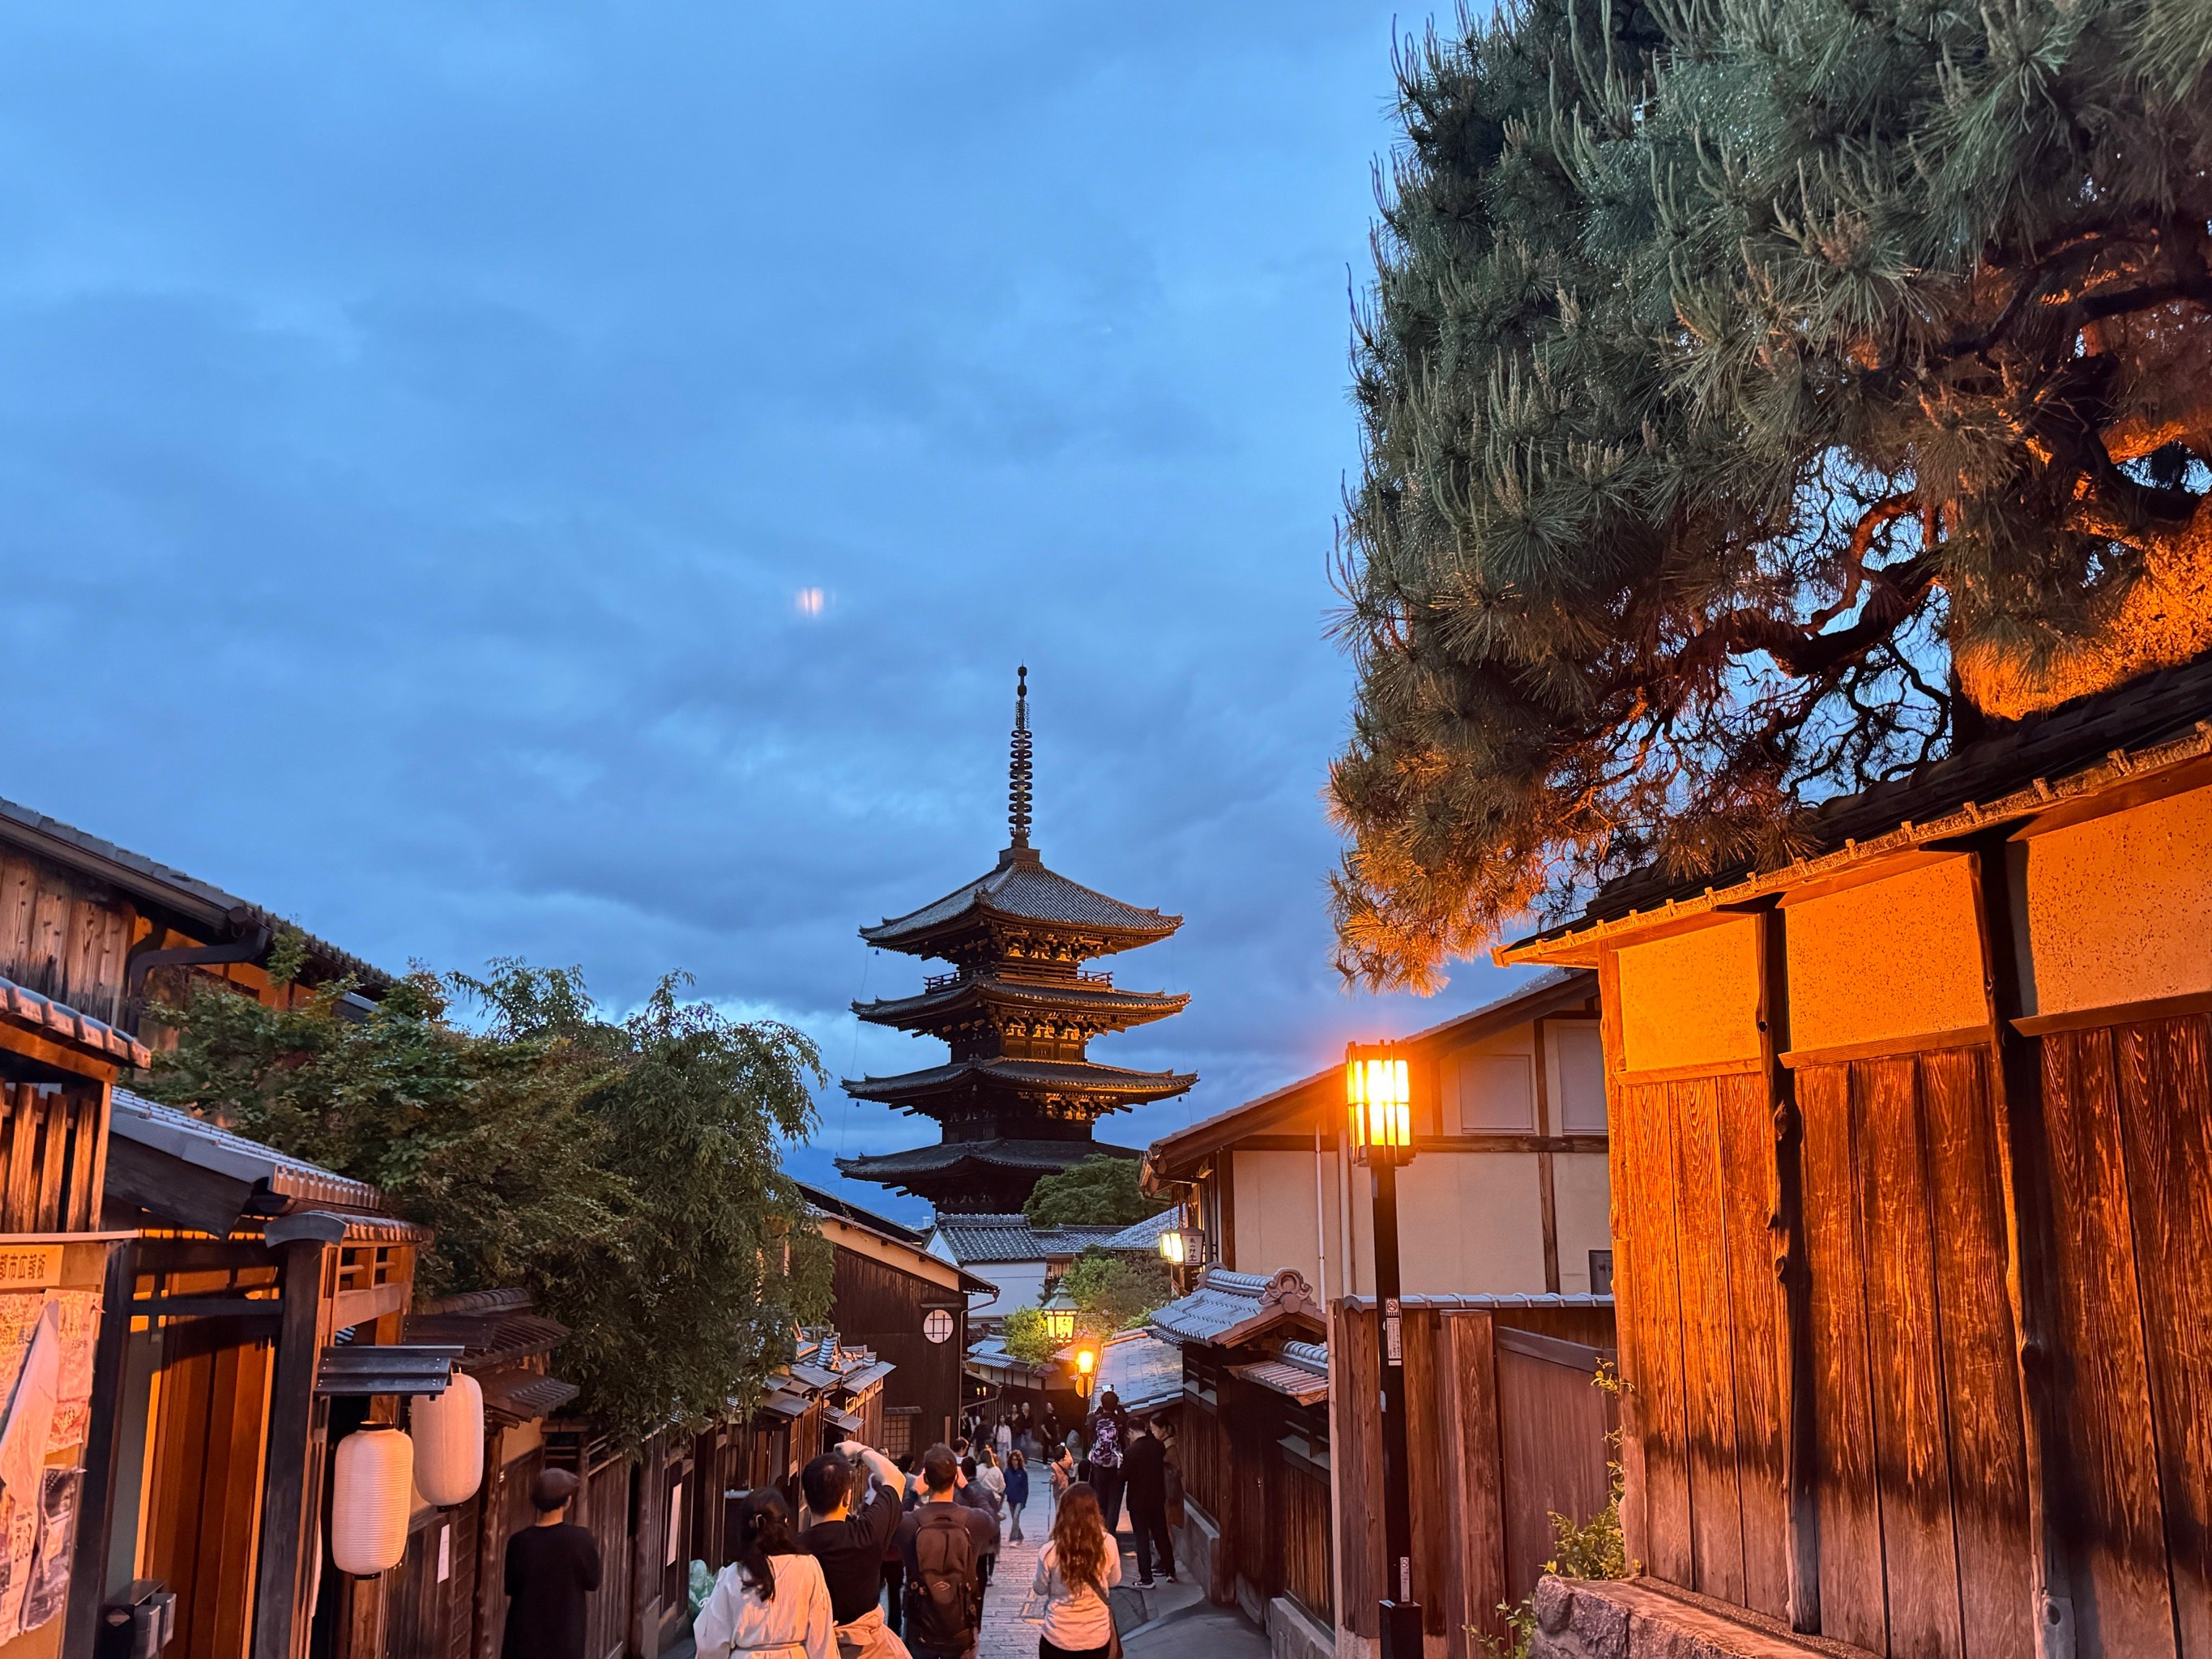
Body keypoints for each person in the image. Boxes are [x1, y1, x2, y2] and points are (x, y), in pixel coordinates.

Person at [800, 1441, 912, 1659]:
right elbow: (896, 1479)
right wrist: (860, 1449)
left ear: (805, 1497)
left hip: (813, 1650)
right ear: (847, 1497)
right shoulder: (866, 1534)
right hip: (869, 1649)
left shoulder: (794, 1551)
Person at [695, 1489, 836, 1659]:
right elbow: (821, 1638)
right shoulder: (808, 1567)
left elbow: (711, 1644)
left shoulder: (733, 1575)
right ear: (785, 1522)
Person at [893, 1444, 997, 1659]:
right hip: (960, 1627)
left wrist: (912, 1494)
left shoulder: (910, 1523)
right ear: (955, 1477)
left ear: (926, 1479)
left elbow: (892, 1524)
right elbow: (992, 1518)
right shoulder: (973, 1520)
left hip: (920, 1626)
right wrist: (966, 1487)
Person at [502, 1468, 602, 1659]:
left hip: (524, 1638)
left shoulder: (519, 1541)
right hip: (566, 1635)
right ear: (567, 1502)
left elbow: (511, 1587)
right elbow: (593, 1581)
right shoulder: (580, 1540)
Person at [1031, 1483, 1121, 1659]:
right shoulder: (1109, 1543)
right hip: (1096, 1636)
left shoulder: (1050, 1550)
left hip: (1058, 1637)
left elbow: (1039, 1589)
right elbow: (1114, 1580)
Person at [1121, 1418, 1175, 1589]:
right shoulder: (1158, 1446)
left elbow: (1123, 1477)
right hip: (1157, 1498)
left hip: (1138, 1502)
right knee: (1161, 1535)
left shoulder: (1131, 1452)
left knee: (1142, 1539)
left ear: (1130, 1432)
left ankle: (1146, 1578)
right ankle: (1170, 1569)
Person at [1085, 1392, 1129, 1533]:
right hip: (1116, 1466)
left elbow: (1089, 1431)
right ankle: (1111, 1535)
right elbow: (1125, 1417)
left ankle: (1101, 1533)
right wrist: (1118, 1407)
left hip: (1099, 1466)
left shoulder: (1094, 1420)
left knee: (1101, 1501)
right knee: (1114, 1504)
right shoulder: (1120, 1421)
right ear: (1116, 1404)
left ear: (1102, 1403)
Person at [1004, 1451, 1031, 1545]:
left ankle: (1013, 1538)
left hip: (1020, 1499)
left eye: (1016, 1460)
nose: (1014, 1462)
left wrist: (1024, 1501)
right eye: (1013, 1460)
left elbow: (1025, 1488)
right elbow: (1004, 1485)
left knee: (1016, 1516)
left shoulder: (1023, 1473)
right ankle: (1020, 1535)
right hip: (1011, 1499)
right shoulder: (1007, 1472)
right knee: (1014, 1519)